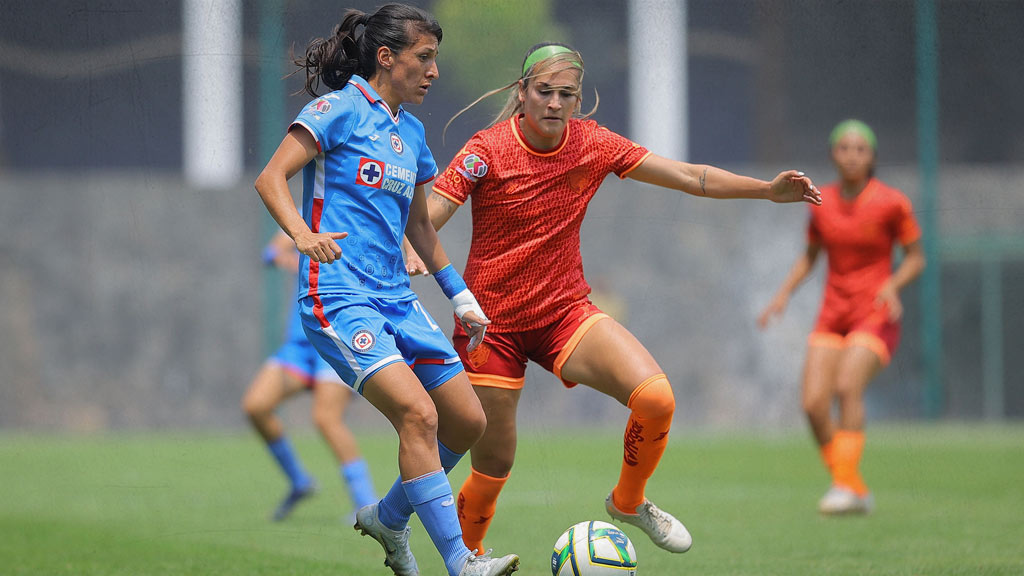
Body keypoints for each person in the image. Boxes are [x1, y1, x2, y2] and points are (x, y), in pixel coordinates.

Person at [404, 42, 821, 555]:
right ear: (522, 92)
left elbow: (690, 176)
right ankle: (467, 561)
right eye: (544, 91)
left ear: (578, 100)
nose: (554, 103)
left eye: (566, 94)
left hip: (564, 314)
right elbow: (433, 210)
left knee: (656, 398)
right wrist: (409, 249)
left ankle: (628, 502)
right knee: (493, 464)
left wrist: (766, 190)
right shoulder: (486, 149)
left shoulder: (593, 143)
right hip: (490, 326)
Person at [254, 5, 519, 575]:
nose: (434, 71)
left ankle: (388, 517)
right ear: (386, 57)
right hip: (338, 297)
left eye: (435, 60)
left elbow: (420, 226)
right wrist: (303, 235)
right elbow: (270, 177)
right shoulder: (338, 109)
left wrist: (460, 295)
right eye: (424, 58)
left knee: (469, 422)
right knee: (419, 416)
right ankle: (460, 563)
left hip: (397, 298)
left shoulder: (412, 132)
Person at [758, 119, 925, 515]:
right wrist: (781, 295)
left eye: (860, 149)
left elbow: (916, 257)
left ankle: (847, 486)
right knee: (814, 404)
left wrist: (893, 285)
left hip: (875, 312)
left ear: (872, 157)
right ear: (833, 154)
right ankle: (849, 484)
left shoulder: (891, 202)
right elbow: (811, 256)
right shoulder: (822, 202)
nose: (852, 155)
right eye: (844, 148)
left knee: (848, 386)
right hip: (833, 313)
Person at [242, 231, 377, 522]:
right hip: (301, 341)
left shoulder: (356, 215)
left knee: (326, 418)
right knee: (256, 405)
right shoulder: (308, 213)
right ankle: (299, 481)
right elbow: (272, 249)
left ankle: (367, 505)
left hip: (336, 334)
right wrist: (283, 256)